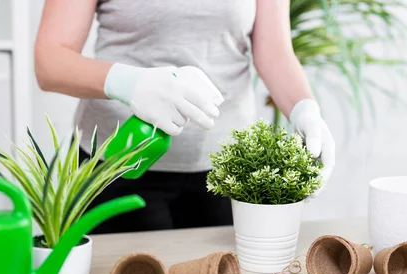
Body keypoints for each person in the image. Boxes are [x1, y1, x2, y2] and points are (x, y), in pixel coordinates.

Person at [34, 0, 335, 234]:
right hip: (117, 167)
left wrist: (304, 109)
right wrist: (131, 83)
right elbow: (50, 62)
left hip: (227, 171)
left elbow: (273, 49)